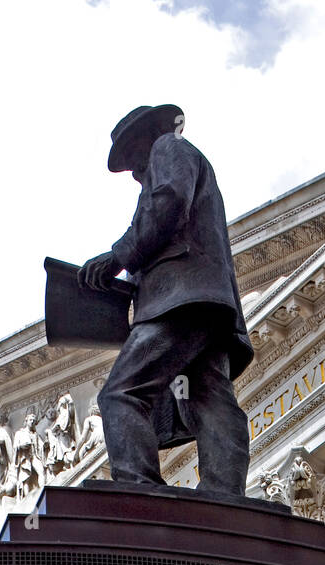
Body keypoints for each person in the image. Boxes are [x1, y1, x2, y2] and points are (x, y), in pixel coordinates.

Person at [78, 104, 252, 498]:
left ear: (145, 138)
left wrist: (118, 256)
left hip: (180, 300)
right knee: (207, 395)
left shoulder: (168, 149)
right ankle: (226, 494)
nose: (135, 172)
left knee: (121, 392)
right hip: (204, 302)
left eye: (131, 159)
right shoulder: (179, 157)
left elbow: (169, 201)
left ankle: (140, 488)